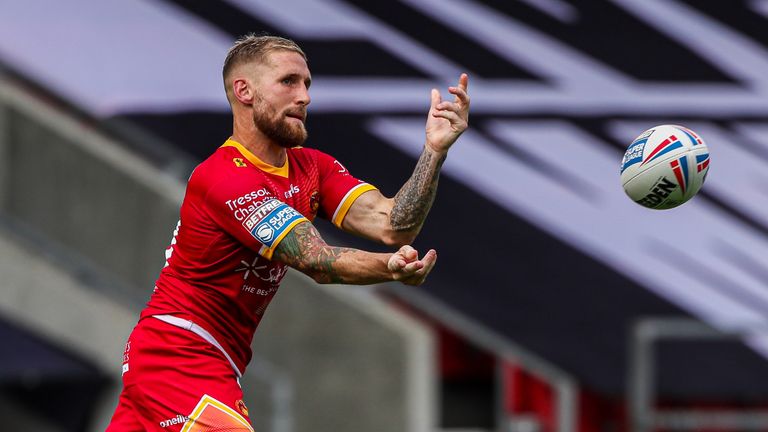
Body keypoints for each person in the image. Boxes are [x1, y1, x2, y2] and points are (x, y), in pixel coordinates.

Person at [106, 33, 469, 432]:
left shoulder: (312, 166)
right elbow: (317, 261)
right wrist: (390, 268)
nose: (305, 97)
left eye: (307, 84)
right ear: (244, 91)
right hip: (177, 354)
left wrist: (434, 152)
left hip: (214, 360)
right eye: (289, 82)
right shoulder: (223, 177)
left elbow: (392, 224)